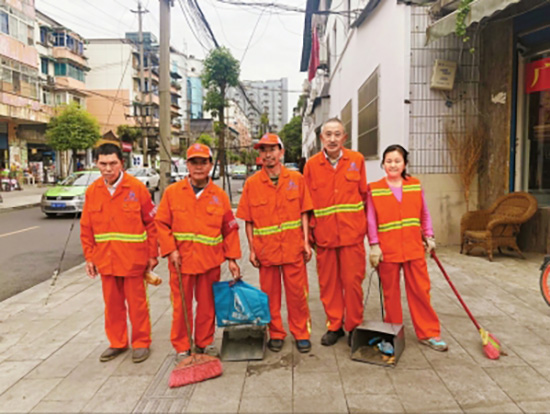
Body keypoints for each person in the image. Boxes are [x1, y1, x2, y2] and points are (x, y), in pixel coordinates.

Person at [155, 143, 241, 360]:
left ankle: (204, 343)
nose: (199, 167)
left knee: (207, 305)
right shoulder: (172, 193)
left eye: (203, 162)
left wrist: (232, 259)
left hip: (209, 262)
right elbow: (161, 224)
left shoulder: (219, 196)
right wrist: (170, 250)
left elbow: (229, 229)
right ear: (187, 165)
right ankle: (183, 346)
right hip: (180, 262)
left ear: (211, 165)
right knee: (181, 306)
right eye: (194, 162)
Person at [80, 143, 158, 363]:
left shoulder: (137, 189)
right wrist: (89, 257)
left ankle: (141, 343)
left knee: (137, 304)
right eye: (103, 163)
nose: (108, 168)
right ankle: (118, 342)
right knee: (112, 305)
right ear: (96, 163)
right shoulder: (93, 192)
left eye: (112, 163)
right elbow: (86, 229)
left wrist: (153, 255)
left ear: (121, 163)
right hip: (106, 260)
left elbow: (152, 224)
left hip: (134, 260)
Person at [237, 133, 313, 354]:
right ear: (259, 155)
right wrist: (251, 249)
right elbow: (248, 221)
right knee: (269, 295)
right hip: (266, 250)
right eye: (263, 150)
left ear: (281, 152)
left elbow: (304, 214)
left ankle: (301, 334)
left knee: (298, 294)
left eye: (272, 149)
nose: (268, 154)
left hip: (293, 247)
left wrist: (306, 242)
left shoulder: (296, 179)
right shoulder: (252, 184)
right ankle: (277, 333)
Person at [367, 144, 447, 352]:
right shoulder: (374, 189)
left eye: (397, 161)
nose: (393, 165)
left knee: (421, 291)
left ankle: (429, 333)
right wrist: (374, 245)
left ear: (404, 164)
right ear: (383, 164)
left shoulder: (414, 185)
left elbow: (425, 213)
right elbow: (371, 220)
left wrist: (429, 236)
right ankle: (391, 335)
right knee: (390, 295)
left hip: (413, 248)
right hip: (388, 250)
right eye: (389, 161)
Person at [303, 118, 368, 346]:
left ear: (344, 137)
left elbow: (363, 196)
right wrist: (309, 236)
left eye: (337, 134)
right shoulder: (311, 165)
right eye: (328, 134)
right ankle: (335, 325)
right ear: (321, 138)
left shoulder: (357, 160)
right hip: (325, 236)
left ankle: (354, 326)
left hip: (352, 236)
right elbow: (307, 204)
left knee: (352, 283)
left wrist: (367, 232)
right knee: (329, 284)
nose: (332, 139)